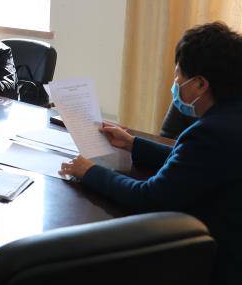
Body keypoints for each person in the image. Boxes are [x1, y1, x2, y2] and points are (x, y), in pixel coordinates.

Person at [59, 22, 242, 285]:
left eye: (179, 77)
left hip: (220, 264)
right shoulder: (230, 119)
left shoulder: (210, 132)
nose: (175, 85)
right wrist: (134, 144)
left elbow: (149, 198)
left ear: (200, 84)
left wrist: (90, 172)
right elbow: (196, 163)